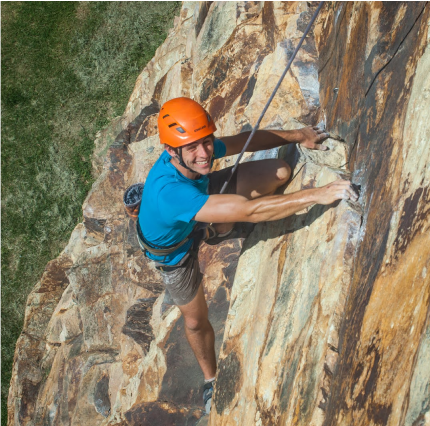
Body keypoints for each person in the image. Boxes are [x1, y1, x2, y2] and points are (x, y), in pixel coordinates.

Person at [136, 97, 358, 413]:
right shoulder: (169, 193)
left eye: (206, 143)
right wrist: (320, 194)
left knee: (280, 171)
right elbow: (252, 211)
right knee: (196, 321)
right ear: (171, 151)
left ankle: (213, 228)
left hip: (196, 200)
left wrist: (300, 136)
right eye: (193, 149)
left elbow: (243, 141)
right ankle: (211, 380)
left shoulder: (193, 152)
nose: (204, 154)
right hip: (175, 253)